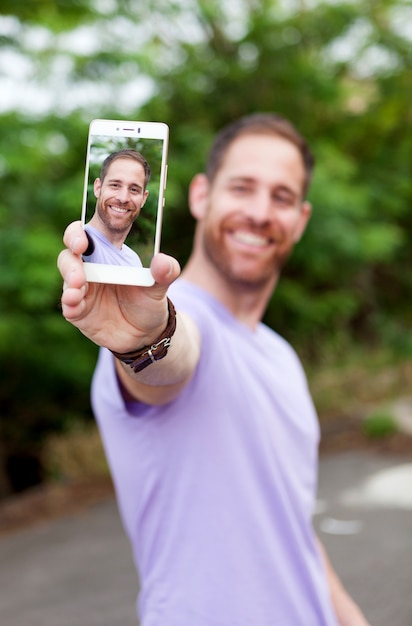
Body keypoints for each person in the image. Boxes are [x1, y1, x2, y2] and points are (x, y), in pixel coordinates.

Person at [58, 113, 371, 626]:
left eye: (282, 197)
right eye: (243, 187)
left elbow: (291, 530)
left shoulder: (281, 356)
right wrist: (147, 340)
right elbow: (173, 357)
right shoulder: (165, 314)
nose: (259, 212)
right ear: (201, 195)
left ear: (301, 218)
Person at [83, 148, 150, 266]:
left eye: (134, 189)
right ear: (98, 188)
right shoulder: (82, 244)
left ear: (143, 198)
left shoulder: (134, 261)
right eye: (115, 185)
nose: (123, 198)